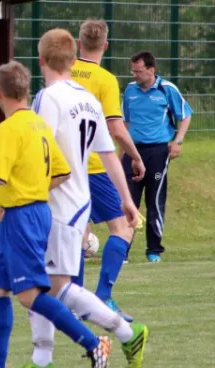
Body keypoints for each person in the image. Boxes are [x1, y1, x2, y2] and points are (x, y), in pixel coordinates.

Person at [0, 60, 112, 368]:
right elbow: (62, 171)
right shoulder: (38, 125)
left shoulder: (9, 129)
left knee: (30, 295)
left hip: (23, 219)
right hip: (29, 214)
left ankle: (94, 343)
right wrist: (33, 189)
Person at [25, 28, 149, 368]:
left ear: (41, 61)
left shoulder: (48, 98)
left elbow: (40, 151)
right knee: (41, 284)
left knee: (57, 287)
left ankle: (127, 332)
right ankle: (42, 359)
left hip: (56, 203)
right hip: (80, 199)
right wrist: (126, 199)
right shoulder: (89, 98)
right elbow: (109, 154)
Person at [70, 19, 145, 321]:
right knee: (125, 227)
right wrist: (136, 156)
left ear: (78, 43)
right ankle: (103, 296)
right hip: (95, 166)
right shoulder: (104, 79)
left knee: (76, 232)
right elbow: (115, 126)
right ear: (105, 45)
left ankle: (72, 297)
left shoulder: (62, 74)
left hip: (65, 168)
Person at [122, 50, 193, 263]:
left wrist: (177, 141)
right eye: (132, 71)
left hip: (157, 152)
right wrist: (121, 153)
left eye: (139, 71)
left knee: (154, 200)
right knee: (128, 202)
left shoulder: (166, 89)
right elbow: (125, 122)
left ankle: (154, 250)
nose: (134, 75)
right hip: (133, 152)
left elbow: (186, 114)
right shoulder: (129, 91)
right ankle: (122, 250)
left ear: (151, 70)